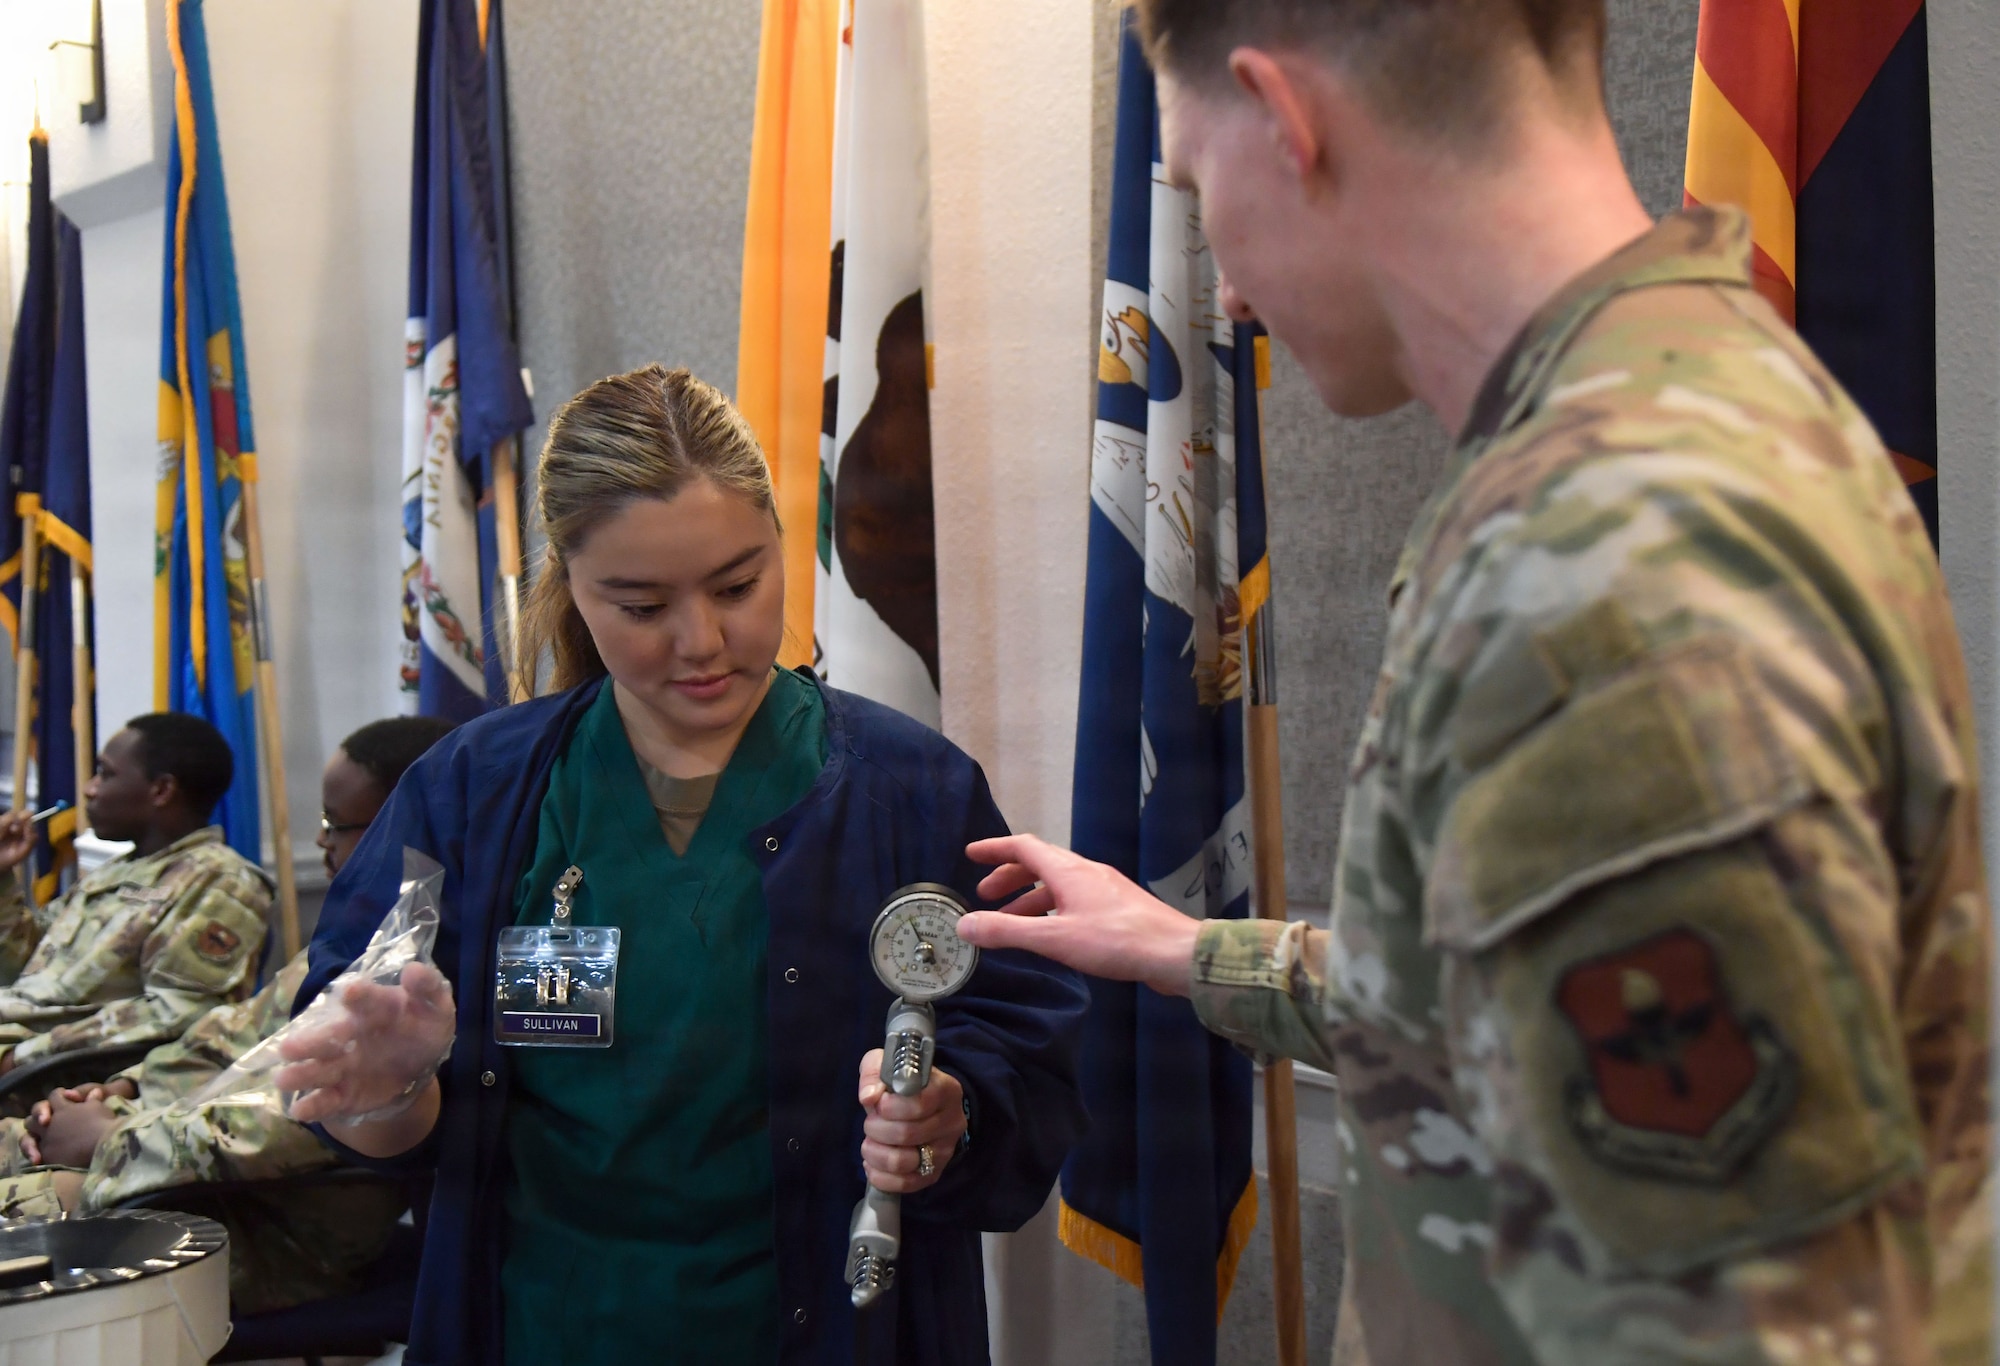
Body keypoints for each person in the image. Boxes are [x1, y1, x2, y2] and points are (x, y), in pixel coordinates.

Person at [955, 3, 1992, 1364]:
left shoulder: (1604, 556)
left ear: (1288, 118)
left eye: (1202, 193)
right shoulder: (1679, 413)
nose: (1232, 290)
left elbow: (1744, 1320)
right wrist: (1179, 946)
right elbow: (1513, 1007)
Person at [277, 365, 1090, 1366]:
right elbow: (347, 1094)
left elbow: (1026, 1056)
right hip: (543, 1325)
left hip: (828, 1329)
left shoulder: (907, 791)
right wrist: (388, 1091)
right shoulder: (473, 795)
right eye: (640, 603)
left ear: (784, 546)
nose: (701, 641)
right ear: (569, 585)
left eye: (738, 585)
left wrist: (947, 1119)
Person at [0, 714, 456, 1314]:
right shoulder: (358, 943)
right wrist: (120, 1089)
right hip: (184, 1179)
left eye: (334, 825)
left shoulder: (428, 978)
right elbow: (223, 1041)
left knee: (19, 1214)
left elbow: (307, 1120)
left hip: (267, 1228)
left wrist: (116, 1135)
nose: (320, 842)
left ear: (404, 828)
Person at [0, 713, 274, 1075]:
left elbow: (177, 1015)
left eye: (106, 773)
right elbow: (22, 963)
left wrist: (21, 1058)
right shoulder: (119, 872)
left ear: (161, 790)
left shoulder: (222, 883)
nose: (89, 788)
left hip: (50, 1076)